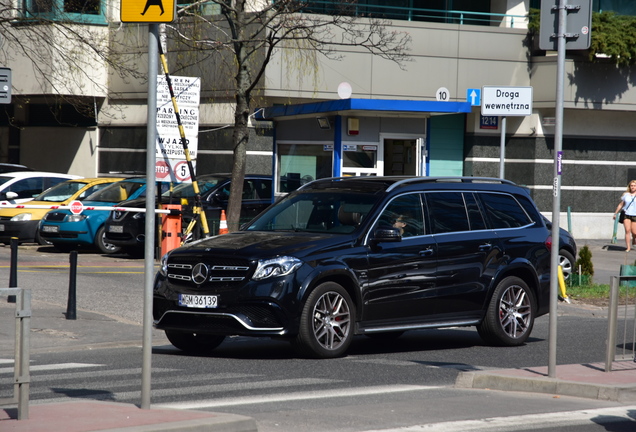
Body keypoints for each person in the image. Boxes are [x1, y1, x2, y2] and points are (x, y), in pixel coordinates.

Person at [613, 180, 636, 252]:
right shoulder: (626, 195)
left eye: (634, 186)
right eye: (631, 186)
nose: (633, 187)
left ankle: (634, 238)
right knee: (627, 230)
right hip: (626, 214)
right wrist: (615, 213)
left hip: (635, 215)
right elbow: (621, 204)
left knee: (634, 232)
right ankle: (628, 247)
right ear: (629, 187)